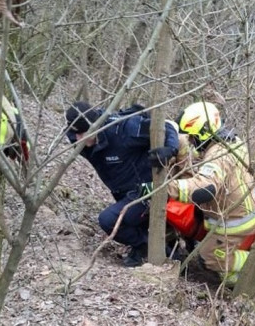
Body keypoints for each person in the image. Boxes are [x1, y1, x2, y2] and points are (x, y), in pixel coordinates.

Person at [66, 101, 179, 267]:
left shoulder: (124, 130)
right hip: (120, 190)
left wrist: (170, 150)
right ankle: (144, 245)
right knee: (129, 220)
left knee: (108, 220)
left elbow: (166, 127)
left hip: (144, 189)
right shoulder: (76, 137)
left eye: (84, 133)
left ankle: (151, 248)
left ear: (96, 126)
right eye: (76, 134)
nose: (78, 139)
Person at [166, 101, 255, 286]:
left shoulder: (220, 154)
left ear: (204, 132)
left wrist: (166, 188)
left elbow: (206, 187)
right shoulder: (232, 142)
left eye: (193, 137)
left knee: (209, 259)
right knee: (219, 259)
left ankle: (254, 262)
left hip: (233, 220)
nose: (192, 142)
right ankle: (234, 282)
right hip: (238, 213)